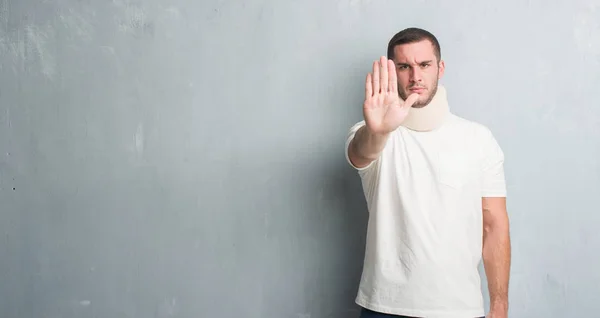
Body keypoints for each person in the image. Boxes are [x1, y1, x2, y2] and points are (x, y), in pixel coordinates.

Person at [345, 28, 510, 318]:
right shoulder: (370, 133)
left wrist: (499, 303)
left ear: (440, 68)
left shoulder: (478, 138)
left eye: (424, 65)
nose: (415, 77)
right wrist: (378, 131)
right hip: (385, 306)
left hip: (459, 307)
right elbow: (361, 154)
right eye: (404, 66)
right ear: (393, 71)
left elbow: (494, 225)